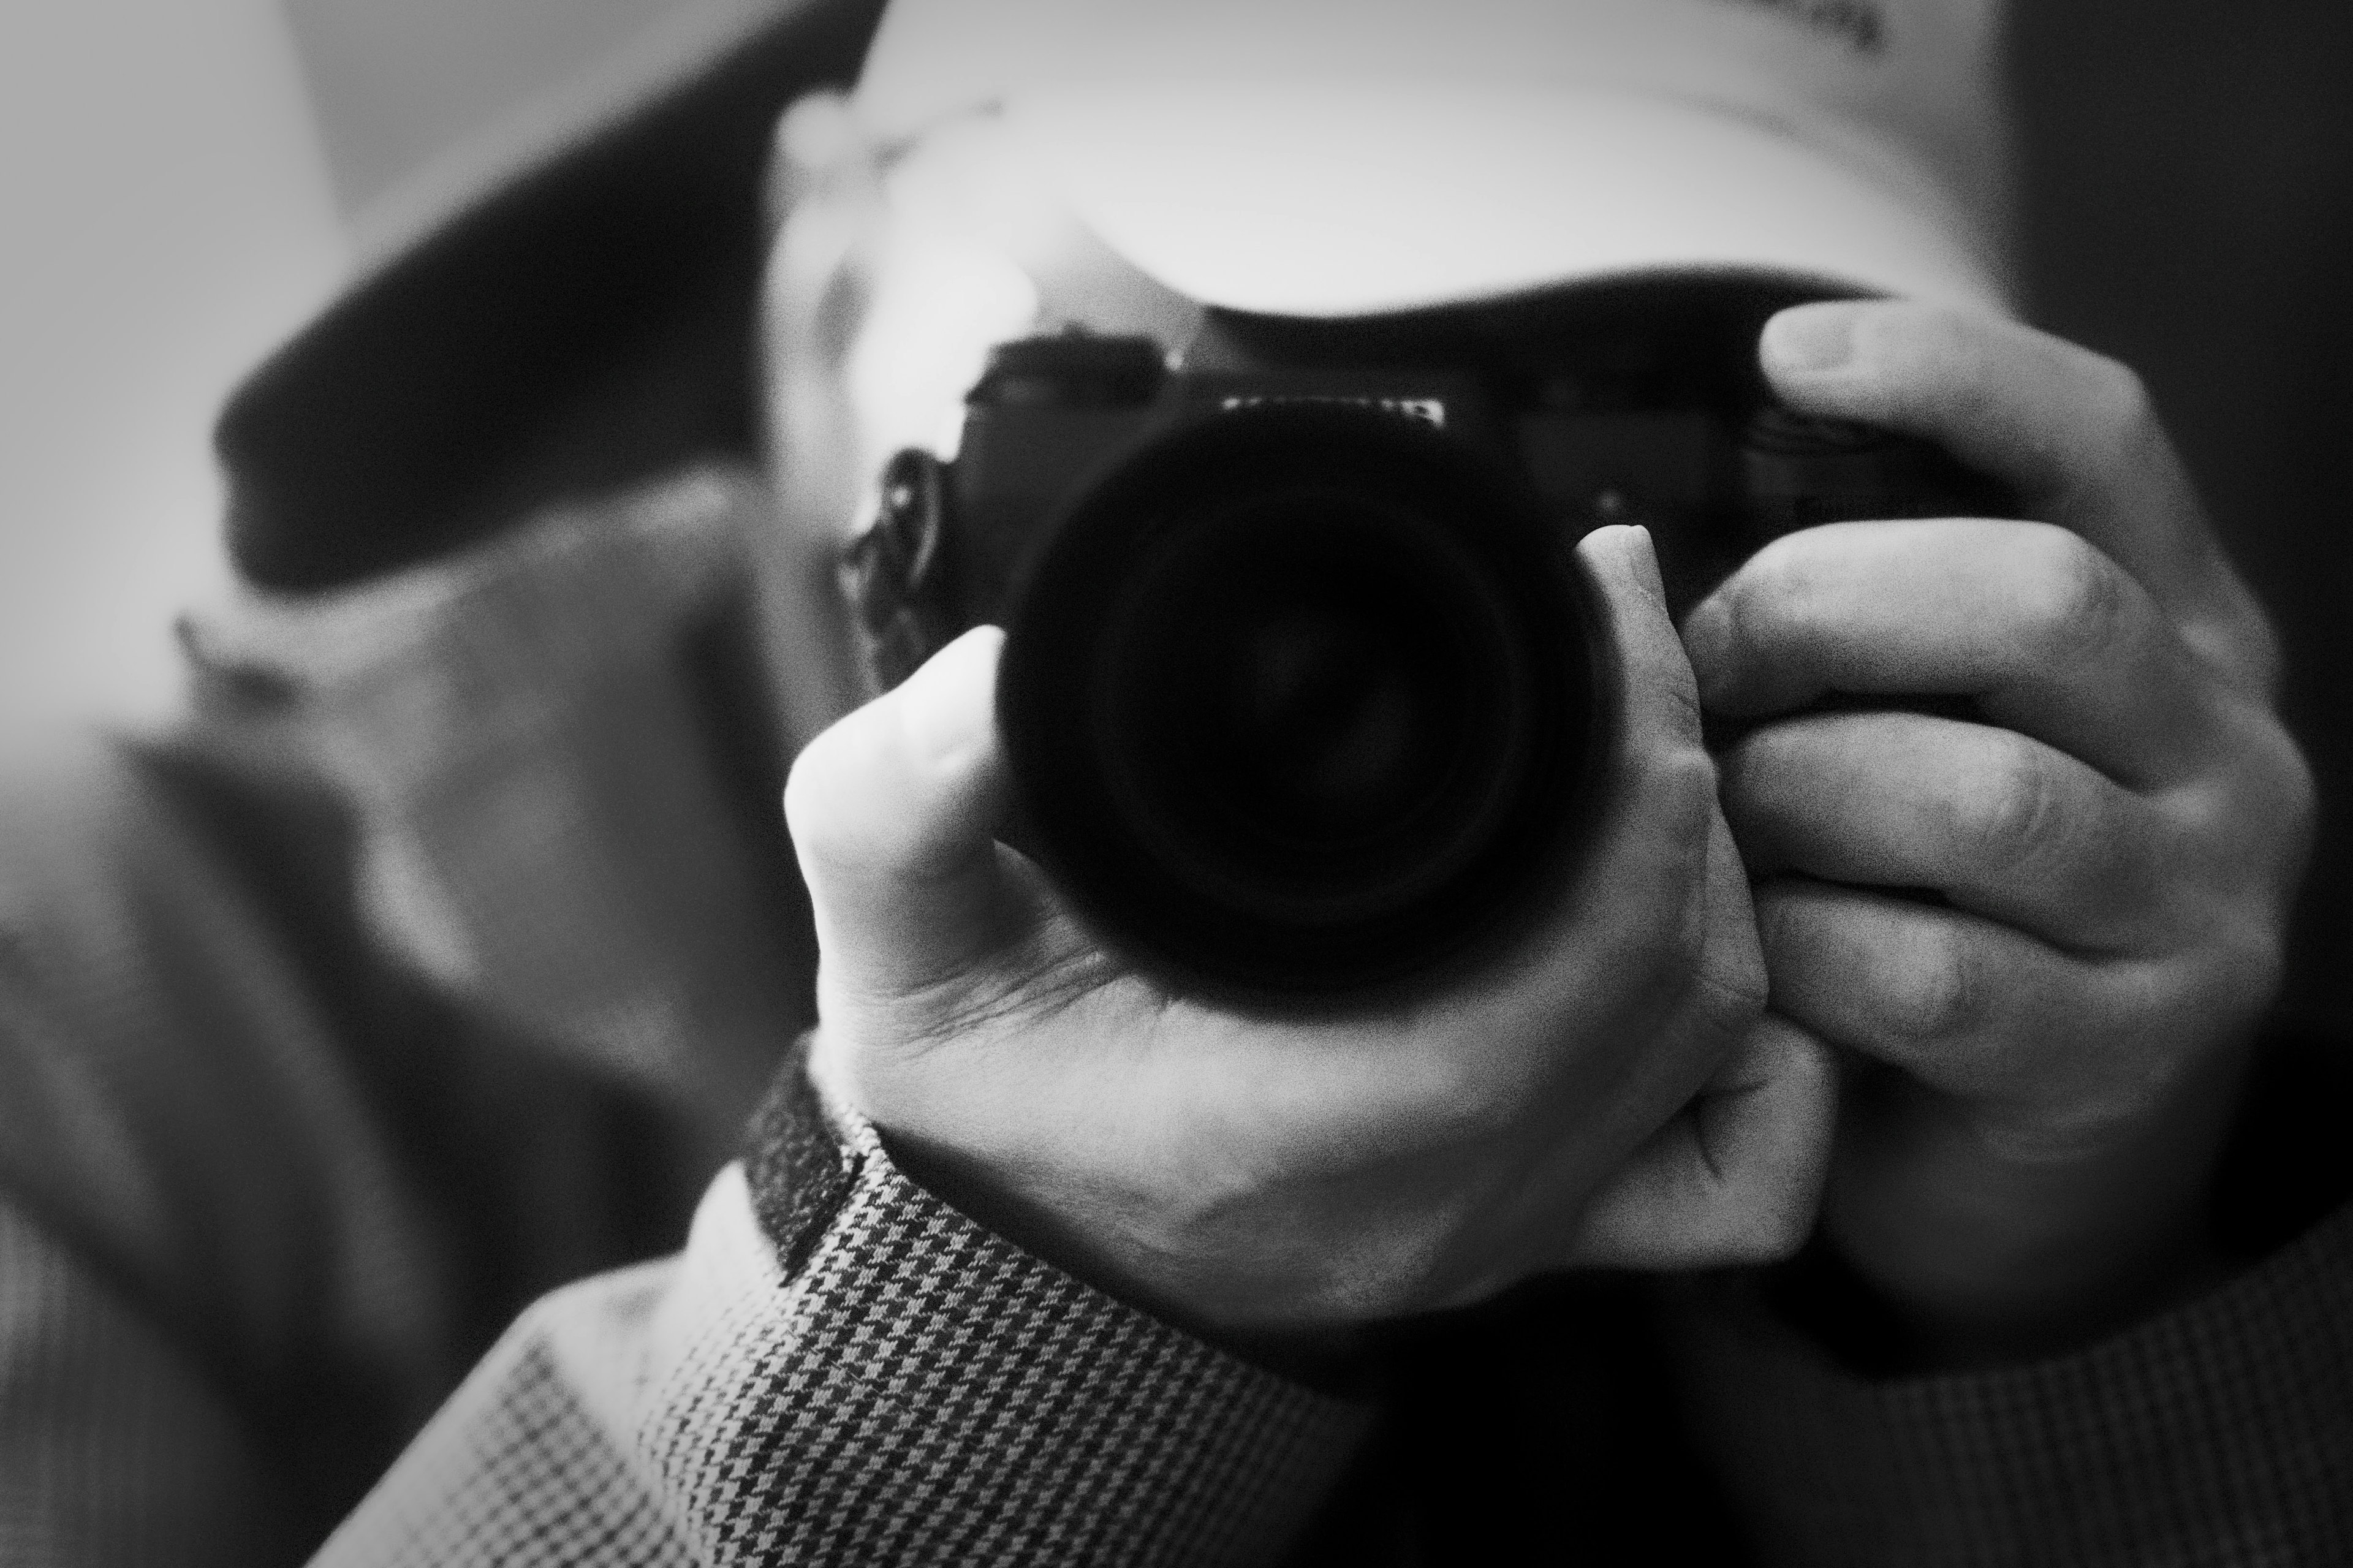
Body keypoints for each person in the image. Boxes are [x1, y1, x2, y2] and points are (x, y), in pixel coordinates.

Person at [0, 1, 2345, 1564]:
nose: (1430, 566)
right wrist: (991, 1338)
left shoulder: (1909, 953)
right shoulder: (96, 1022)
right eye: (1248, 379)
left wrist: (2061, 1296)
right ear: (829, 284)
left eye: (1627, 419)